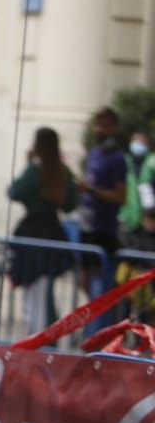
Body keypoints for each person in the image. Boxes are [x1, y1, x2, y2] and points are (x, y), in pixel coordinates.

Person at [8, 126, 80, 335]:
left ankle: (39, 337)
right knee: (43, 289)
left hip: (33, 231)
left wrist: (29, 163)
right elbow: (70, 204)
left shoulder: (35, 170)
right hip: (52, 229)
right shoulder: (63, 171)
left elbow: (14, 191)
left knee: (33, 292)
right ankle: (45, 334)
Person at [77, 106, 129, 294]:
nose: (100, 130)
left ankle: (101, 323)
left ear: (114, 128)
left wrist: (92, 191)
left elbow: (121, 197)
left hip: (104, 231)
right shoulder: (94, 153)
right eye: (98, 125)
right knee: (84, 283)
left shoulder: (117, 159)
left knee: (101, 286)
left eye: (105, 126)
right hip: (86, 226)